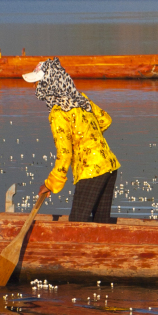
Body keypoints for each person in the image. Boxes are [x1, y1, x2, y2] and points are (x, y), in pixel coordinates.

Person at [22, 57, 120, 222]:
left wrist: (50, 184)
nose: (35, 88)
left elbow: (65, 154)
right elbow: (105, 120)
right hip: (110, 165)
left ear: (49, 85)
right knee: (101, 225)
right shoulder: (80, 98)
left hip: (91, 171)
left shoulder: (58, 113)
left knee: (77, 224)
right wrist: (88, 137)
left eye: (37, 83)